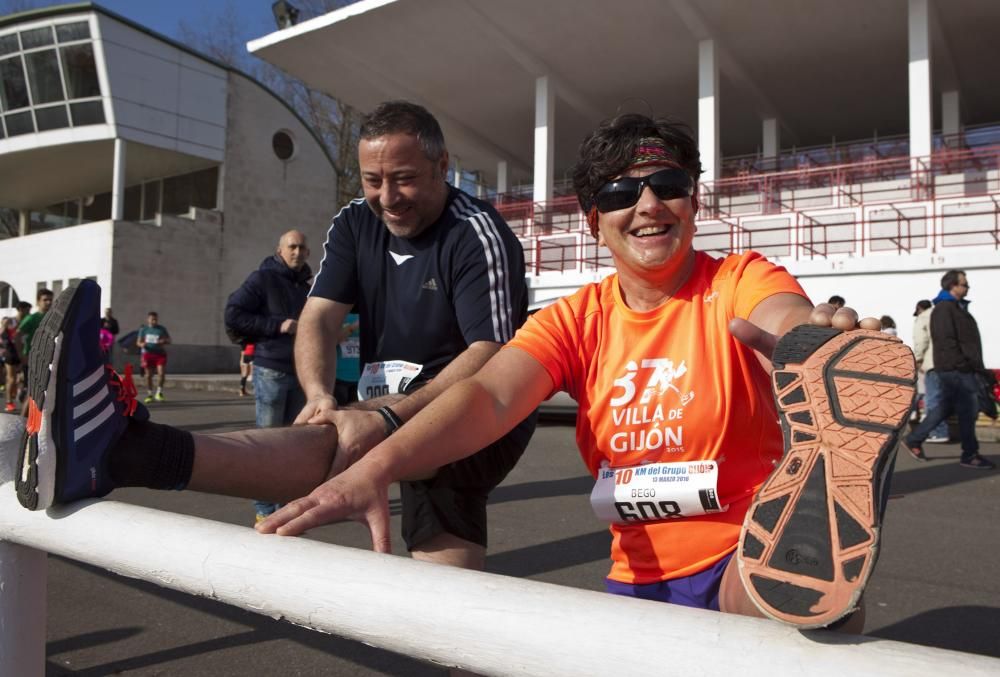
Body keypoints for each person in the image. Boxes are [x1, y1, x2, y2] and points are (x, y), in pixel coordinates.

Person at [256, 114, 916, 631]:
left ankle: (815, 575)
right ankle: (816, 595)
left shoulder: (739, 280)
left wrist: (815, 340)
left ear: (694, 202)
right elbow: (486, 396)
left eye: (671, 186)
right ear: (596, 221)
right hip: (638, 573)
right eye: (624, 191)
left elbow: (782, 314)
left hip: (740, 549)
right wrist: (378, 465)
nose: (650, 203)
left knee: (777, 602)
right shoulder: (578, 319)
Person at [18, 100, 534, 579]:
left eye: (404, 179)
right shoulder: (357, 220)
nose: (388, 198)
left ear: (443, 165)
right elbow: (317, 320)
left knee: (346, 442)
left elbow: (488, 354)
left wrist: (387, 417)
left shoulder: (478, 233)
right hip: (389, 399)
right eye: (373, 180)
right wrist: (320, 396)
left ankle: (123, 452)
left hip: (472, 399)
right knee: (438, 575)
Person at [224, 229, 312, 522]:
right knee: (267, 444)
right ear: (279, 250)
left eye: (302, 247)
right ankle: (264, 509)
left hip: (301, 373)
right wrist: (278, 326)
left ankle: (285, 508)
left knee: (293, 445)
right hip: (271, 370)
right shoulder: (261, 278)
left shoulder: (306, 287)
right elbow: (233, 314)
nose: (297, 252)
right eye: (292, 247)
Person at [905, 270, 995, 469]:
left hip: (956, 368)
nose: (967, 287)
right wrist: (963, 365)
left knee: (947, 408)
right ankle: (970, 454)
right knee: (968, 410)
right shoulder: (945, 309)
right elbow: (946, 341)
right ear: (952, 286)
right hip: (955, 370)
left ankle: (915, 439)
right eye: (964, 284)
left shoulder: (954, 308)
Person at [912, 299, 949, 441]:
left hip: (932, 363)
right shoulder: (943, 315)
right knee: (942, 398)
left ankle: (939, 432)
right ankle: (941, 431)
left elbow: (921, 341)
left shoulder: (923, 317)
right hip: (948, 363)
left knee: (932, 399)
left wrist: (918, 359)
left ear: (919, 308)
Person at [17, 290, 52, 415]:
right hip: (32, 359)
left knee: (39, 393)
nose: (48, 302)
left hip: (46, 360)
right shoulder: (32, 318)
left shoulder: (52, 318)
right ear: (38, 301)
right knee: (32, 393)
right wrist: (22, 355)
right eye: (45, 300)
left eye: (50, 299)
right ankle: (21, 426)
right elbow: (17, 335)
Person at [137, 311, 171, 403]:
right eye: (152, 319)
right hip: (148, 354)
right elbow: (138, 342)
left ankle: (159, 392)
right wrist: (142, 344)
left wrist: (163, 341)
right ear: (148, 319)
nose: (154, 321)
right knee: (148, 375)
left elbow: (169, 340)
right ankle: (150, 394)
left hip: (160, 354)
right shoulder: (144, 330)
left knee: (161, 373)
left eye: (155, 319)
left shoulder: (161, 329)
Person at [334, 312, 360, 406]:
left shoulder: (368, 314)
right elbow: (330, 341)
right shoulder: (335, 314)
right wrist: (352, 327)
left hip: (361, 379)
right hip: (338, 378)